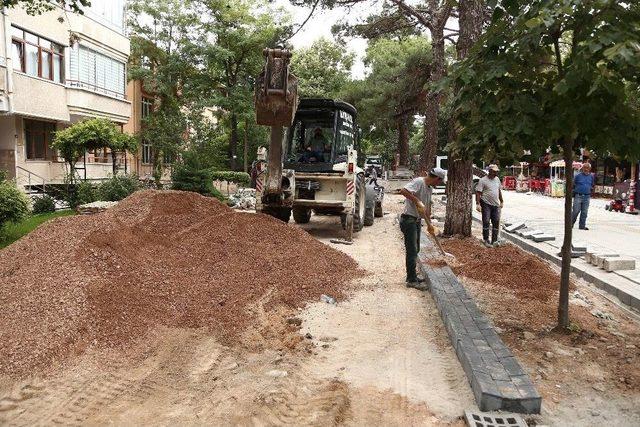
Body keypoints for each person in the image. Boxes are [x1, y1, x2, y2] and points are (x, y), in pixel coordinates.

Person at [399, 168, 447, 289]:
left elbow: (427, 208)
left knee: (416, 249)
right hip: (408, 220)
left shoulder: (429, 188)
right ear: (437, 178)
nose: (439, 184)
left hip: (417, 221)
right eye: (440, 182)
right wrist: (416, 200)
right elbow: (403, 191)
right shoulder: (419, 182)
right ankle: (411, 280)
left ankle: (413, 275)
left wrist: (430, 224)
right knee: (412, 250)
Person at [476, 164, 504, 248]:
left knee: (496, 221)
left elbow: (498, 191)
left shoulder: (497, 180)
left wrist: (501, 201)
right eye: (494, 171)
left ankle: (494, 240)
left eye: (496, 172)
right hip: (486, 204)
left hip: (495, 204)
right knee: (486, 221)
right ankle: (486, 239)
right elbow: (478, 192)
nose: (495, 173)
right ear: (489, 171)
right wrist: (477, 204)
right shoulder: (483, 180)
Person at [572, 162, 594, 230]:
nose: (586, 169)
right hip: (578, 195)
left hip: (587, 196)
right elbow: (573, 184)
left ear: (590, 169)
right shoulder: (578, 176)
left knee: (584, 212)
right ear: (582, 168)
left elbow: (592, 185)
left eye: (587, 168)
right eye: (585, 167)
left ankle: (582, 226)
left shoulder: (591, 176)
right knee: (576, 211)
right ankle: (571, 224)